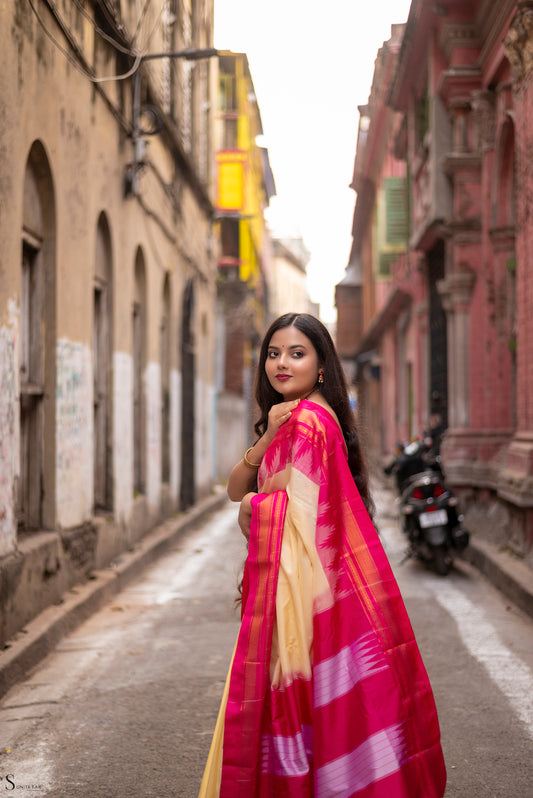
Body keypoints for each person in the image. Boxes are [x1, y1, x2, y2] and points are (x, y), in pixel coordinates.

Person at [199, 313, 446, 798]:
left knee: (299, 718)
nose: (281, 363)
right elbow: (233, 488)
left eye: (297, 353)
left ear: (321, 366)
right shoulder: (290, 417)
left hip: (302, 596)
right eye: (273, 353)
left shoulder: (308, 421)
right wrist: (267, 437)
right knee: (322, 718)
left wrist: (255, 505)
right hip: (305, 586)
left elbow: (297, 519)